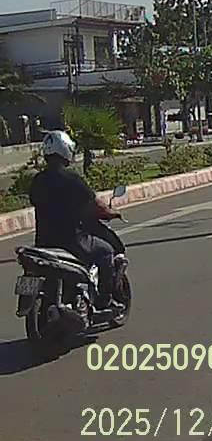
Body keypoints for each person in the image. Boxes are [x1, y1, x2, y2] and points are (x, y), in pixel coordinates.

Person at [27, 131, 123, 308]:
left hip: (44, 243)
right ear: (65, 150)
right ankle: (105, 300)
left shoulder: (38, 180)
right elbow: (95, 204)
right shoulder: (72, 179)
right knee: (106, 251)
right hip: (71, 241)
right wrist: (110, 213)